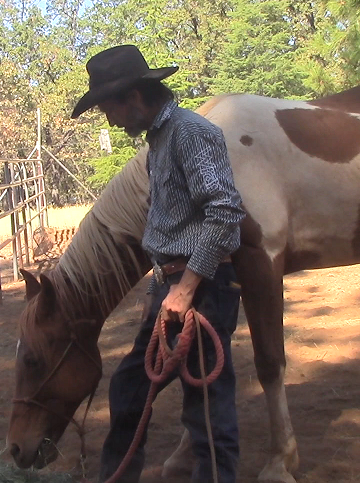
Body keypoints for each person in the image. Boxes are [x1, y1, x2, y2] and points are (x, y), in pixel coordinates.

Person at [71, 44, 245, 483]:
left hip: (201, 288)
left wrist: (185, 288)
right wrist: (164, 291)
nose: (109, 120)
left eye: (109, 107)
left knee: (206, 409)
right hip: (173, 287)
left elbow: (225, 212)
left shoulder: (191, 133)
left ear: (133, 96)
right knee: (129, 388)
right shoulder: (160, 142)